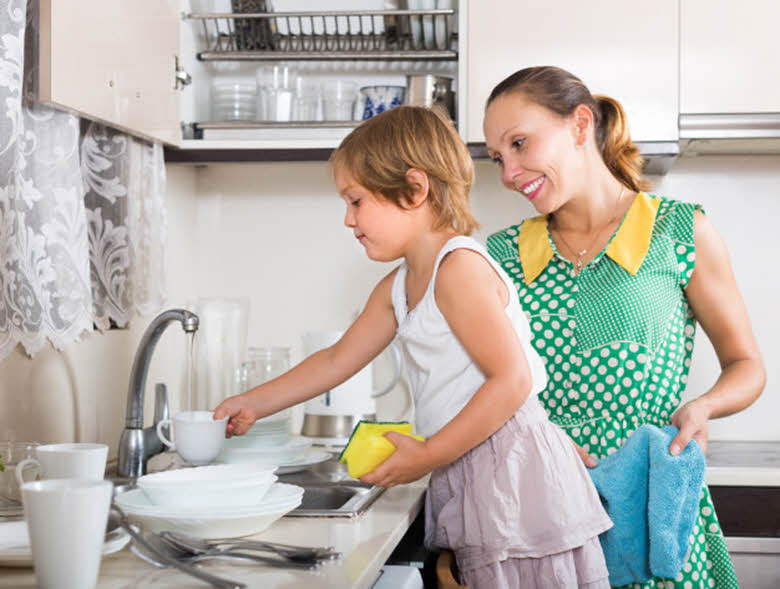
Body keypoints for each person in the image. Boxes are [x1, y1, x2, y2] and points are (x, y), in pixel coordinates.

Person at [215, 105, 613, 588]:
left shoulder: (458, 270)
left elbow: (513, 381)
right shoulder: (398, 286)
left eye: (356, 201)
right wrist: (253, 402)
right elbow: (338, 359)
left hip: (510, 462)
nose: (347, 219)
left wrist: (427, 455)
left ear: (415, 189)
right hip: (469, 456)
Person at [483, 65, 765, 588]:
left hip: (653, 501)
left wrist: (703, 406)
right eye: (499, 157)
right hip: (541, 512)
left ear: (579, 124)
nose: (507, 172)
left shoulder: (680, 231)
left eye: (520, 144)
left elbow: (747, 365)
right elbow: (481, 392)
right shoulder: (499, 257)